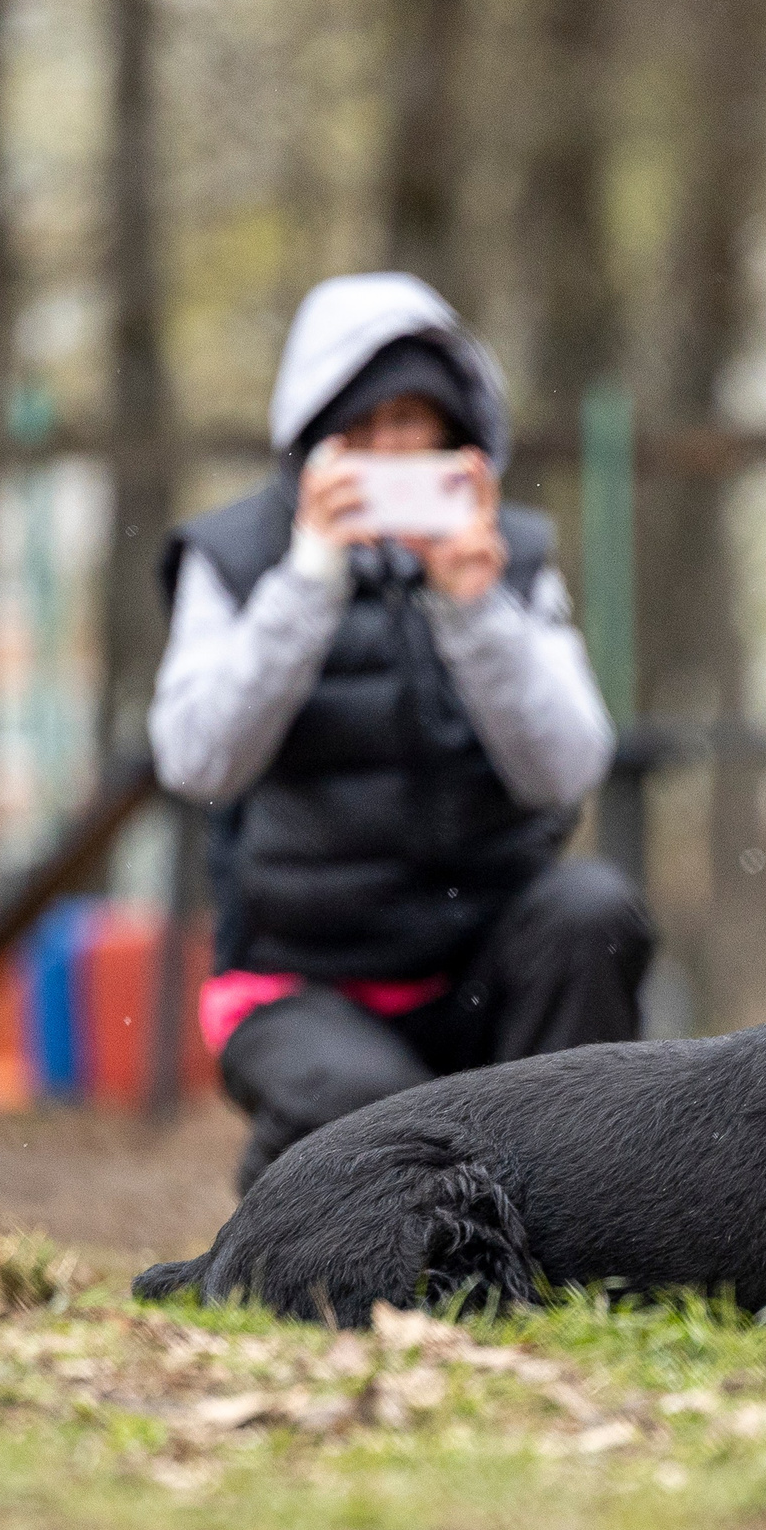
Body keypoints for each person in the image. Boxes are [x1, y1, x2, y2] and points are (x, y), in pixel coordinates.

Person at [151, 272, 652, 1193]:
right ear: (315, 439)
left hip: (482, 963)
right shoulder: (232, 557)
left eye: (411, 424)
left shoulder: (513, 560)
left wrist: (477, 610)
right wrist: (307, 583)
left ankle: (570, 1220)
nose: (389, 453)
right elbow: (195, 758)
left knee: (593, 913)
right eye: (363, 429)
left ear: (457, 439)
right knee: (387, 1122)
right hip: (301, 983)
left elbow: (569, 766)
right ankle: (291, 1199)